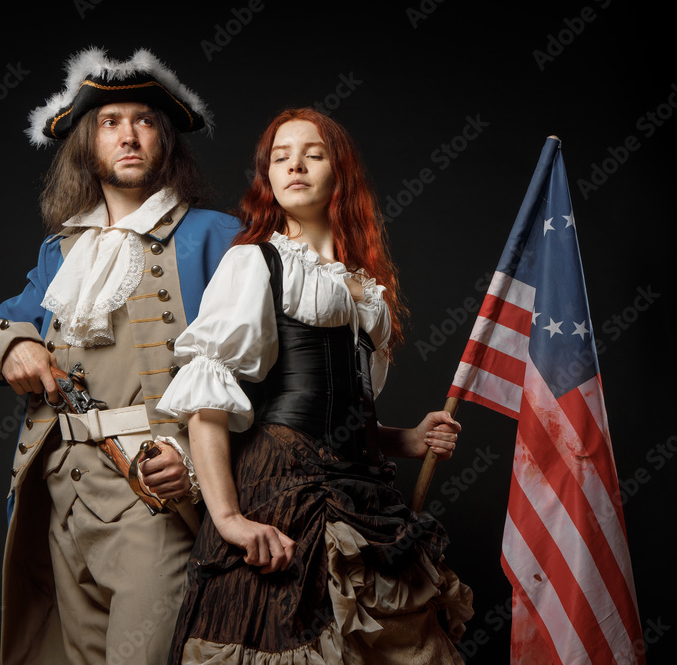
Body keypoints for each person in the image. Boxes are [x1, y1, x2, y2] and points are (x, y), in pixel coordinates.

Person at [157, 108, 474, 664]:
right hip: (278, 498)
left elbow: (352, 420)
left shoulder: (364, 289)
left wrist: (408, 440)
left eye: (314, 153)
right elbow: (207, 400)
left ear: (340, 172)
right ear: (268, 176)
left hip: (366, 498)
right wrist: (228, 519)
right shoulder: (255, 262)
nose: (294, 165)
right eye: (280, 157)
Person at [0, 48, 239, 665]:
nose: (128, 135)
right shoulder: (62, 253)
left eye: (143, 120)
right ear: (88, 144)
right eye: (110, 122)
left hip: (154, 496)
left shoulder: (217, 236)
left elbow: (260, 373)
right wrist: (15, 344)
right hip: (61, 492)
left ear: (164, 140)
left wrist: (193, 465)